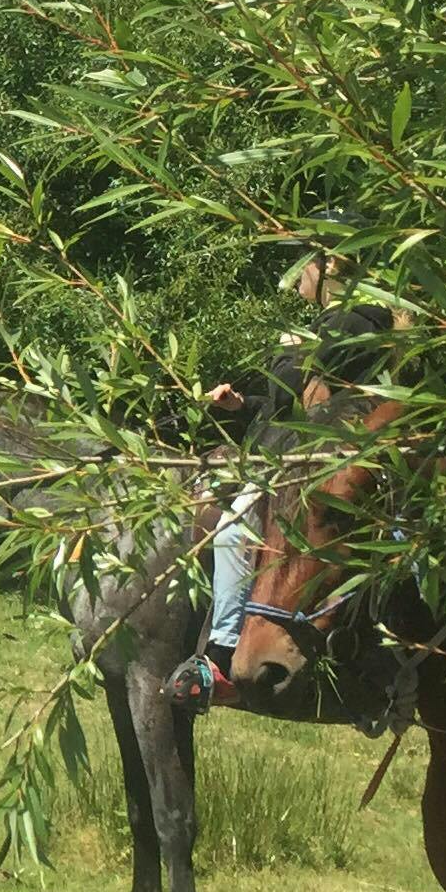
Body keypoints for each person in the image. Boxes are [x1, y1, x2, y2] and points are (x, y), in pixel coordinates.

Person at [170, 255, 397, 707]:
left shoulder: (359, 322)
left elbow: (328, 411)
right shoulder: (328, 325)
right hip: (285, 454)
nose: (296, 276)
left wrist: (302, 349)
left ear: (330, 264)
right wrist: (244, 405)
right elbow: (289, 407)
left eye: (303, 263)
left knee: (234, 527)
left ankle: (222, 654)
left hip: (312, 465)